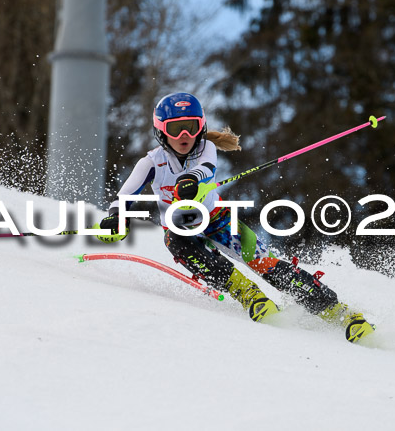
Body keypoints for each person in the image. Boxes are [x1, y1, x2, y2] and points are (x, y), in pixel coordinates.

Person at [99, 92, 375, 343]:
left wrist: (190, 179)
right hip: (181, 229)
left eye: (191, 127)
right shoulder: (150, 162)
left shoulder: (204, 148)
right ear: (161, 131)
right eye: (174, 128)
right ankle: (250, 295)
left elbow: (206, 168)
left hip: (217, 219)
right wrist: (115, 217)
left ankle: (338, 312)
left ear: (201, 127)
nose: (184, 134)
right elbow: (126, 194)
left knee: (265, 263)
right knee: (177, 242)